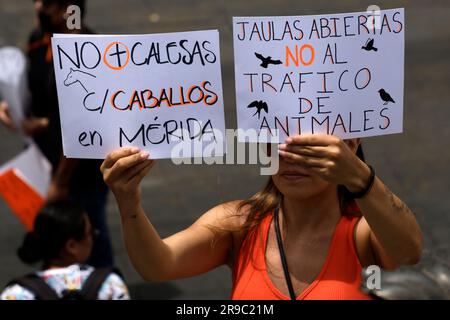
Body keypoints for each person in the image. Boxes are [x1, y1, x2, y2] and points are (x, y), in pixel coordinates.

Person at [100, 135, 423, 300]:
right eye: (275, 141)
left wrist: (359, 176)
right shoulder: (240, 224)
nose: (288, 157)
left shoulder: (362, 232)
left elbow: (409, 251)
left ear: (348, 145)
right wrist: (128, 202)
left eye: (306, 146)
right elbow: (158, 265)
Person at [0, 0, 114, 267]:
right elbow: (37, 92)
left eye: (48, 3)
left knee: (88, 236)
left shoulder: (86, 53)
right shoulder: (39, 40)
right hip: (45, 161)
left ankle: (105, 287)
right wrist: (11, 106)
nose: (38, 7)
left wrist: (61, 180)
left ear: (69, 9)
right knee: (58, 242)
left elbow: (82, 121)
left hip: (79, 169)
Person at [0, 201, 129, 300]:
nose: (94, 238)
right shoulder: (110, 285)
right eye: (91, 233)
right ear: (71, 246)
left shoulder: (17, 294)